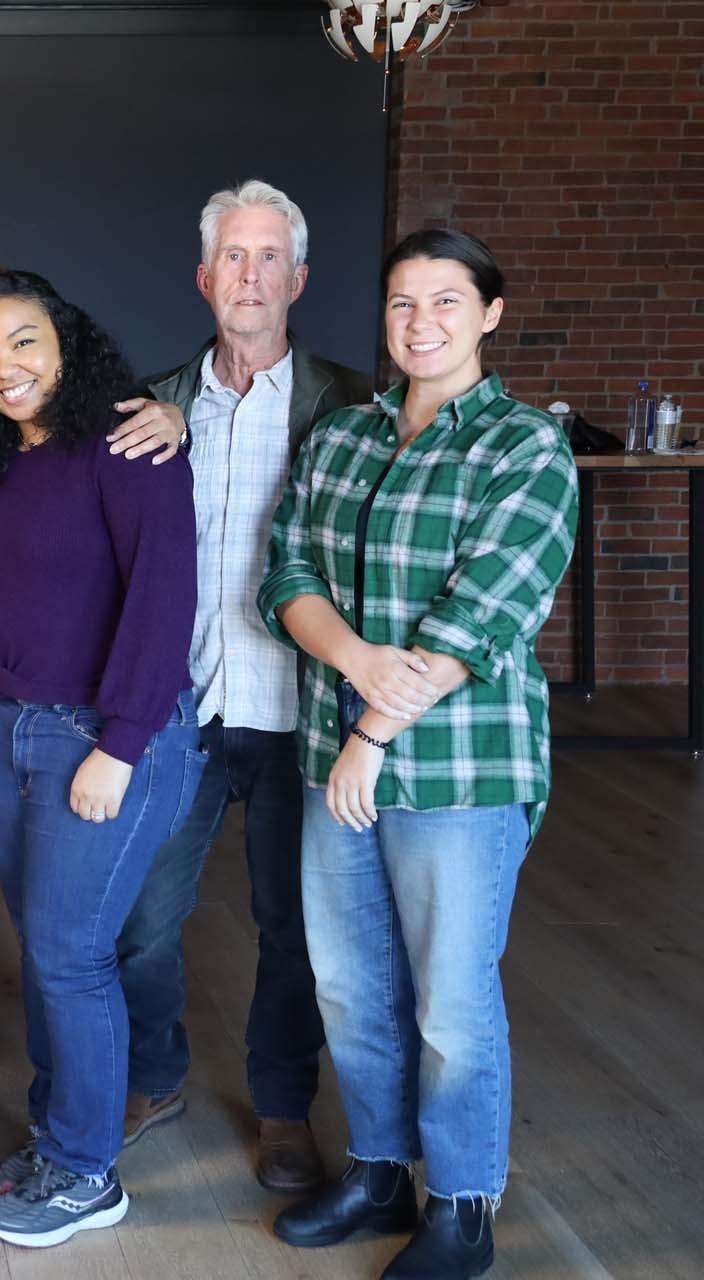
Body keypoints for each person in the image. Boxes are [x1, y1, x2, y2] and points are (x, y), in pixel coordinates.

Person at [261, 229, 577, 1279]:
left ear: (489, 313)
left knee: (450, 991)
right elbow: (289, 567)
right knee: (351, 980)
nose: (422, 322)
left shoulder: (525, 446)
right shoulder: (343, 436)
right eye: (402, 302)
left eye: (447, 301)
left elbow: (487, 608)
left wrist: (370, 734)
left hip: (459, 767)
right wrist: (351, 659)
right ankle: (379, 1167)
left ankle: (463, 1205)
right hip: (336, 749)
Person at [109, 179, 372, 1191]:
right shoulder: (153, 403)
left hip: (303, 715)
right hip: (186, 707)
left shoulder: (352, 405)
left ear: (297, 279)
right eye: (234, 256)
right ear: (204, 277)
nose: (250, 275)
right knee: (140, 916)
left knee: (292, 924)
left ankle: (280, 1106)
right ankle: (156, 1074)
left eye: (271, 258)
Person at [0, 271, 203, 1248]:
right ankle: (61, 1137)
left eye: (22, 342)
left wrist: (121, 744)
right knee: (49, 947)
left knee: (72, 951)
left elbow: (161, 598)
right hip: (9, 727)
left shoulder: (132, 444)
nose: (2, 368)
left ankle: (87, 1169)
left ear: (68, 343)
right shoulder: (4, 459)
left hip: (106, 734)